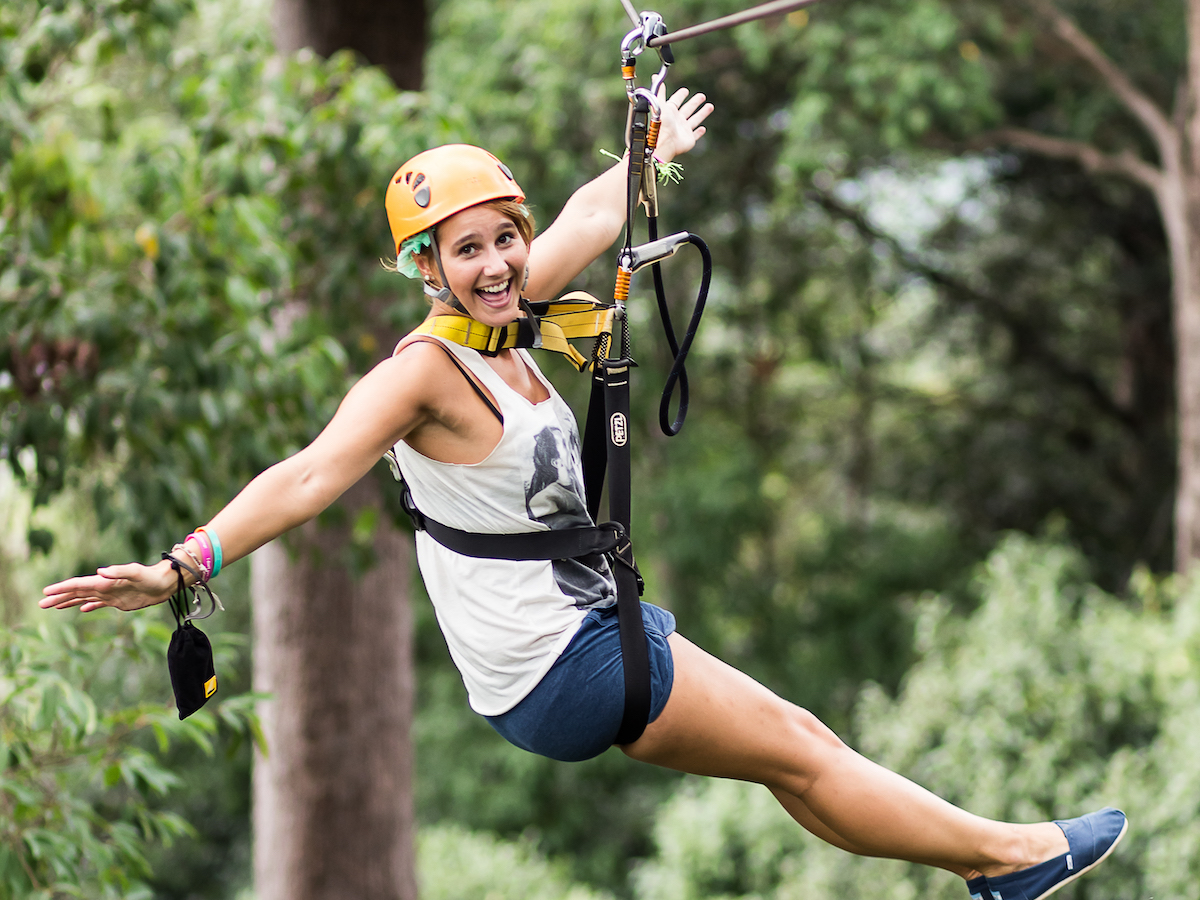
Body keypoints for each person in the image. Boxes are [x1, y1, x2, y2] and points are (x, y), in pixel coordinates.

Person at [41, 87, 1125, 900]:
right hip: (560, 659)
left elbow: (591, 213)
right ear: (427, 268)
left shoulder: (507, 322)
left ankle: (991, 868)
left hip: (567, 644)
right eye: (468, 250)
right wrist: (184, 565)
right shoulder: (424, 373)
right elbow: (312, 473)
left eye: (505, 239)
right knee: (803, 747)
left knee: (797, 758)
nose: (498, 263)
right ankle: (1013, 856)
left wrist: (649, 144)